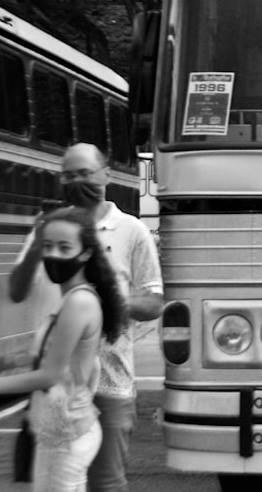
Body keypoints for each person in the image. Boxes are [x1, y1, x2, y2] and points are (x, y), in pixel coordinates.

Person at [10, 143, 163, 492]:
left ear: (105, 175)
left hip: (110, 382)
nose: (77, 181)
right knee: (53, 481)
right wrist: (37, 244)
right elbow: (17, 290)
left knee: (106, 484)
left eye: (85, 174)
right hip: (55, 389)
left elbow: (154, 302)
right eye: (69, 175)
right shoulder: (49, 230)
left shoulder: (132, 230)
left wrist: (107, 301)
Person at [0, 207, 126, 492]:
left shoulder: (79, 302)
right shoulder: (75, 299)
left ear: (86, 253)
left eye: (65, 248)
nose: (54, 255)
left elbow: (50, 376)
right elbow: (86, 369)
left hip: (64, 437)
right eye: (47, 246)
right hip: (63, 431)